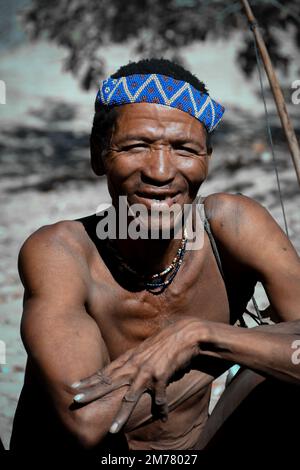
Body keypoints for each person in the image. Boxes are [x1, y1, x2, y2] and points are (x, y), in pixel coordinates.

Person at [10, 58, 300, 453]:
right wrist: (252, 345)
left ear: (206, 160)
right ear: (99, 156)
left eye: (184, 149)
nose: (161, 172)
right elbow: (88, 421)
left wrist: (198, 336)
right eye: (136, 146)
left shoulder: (232, 225)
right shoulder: (62, 252)